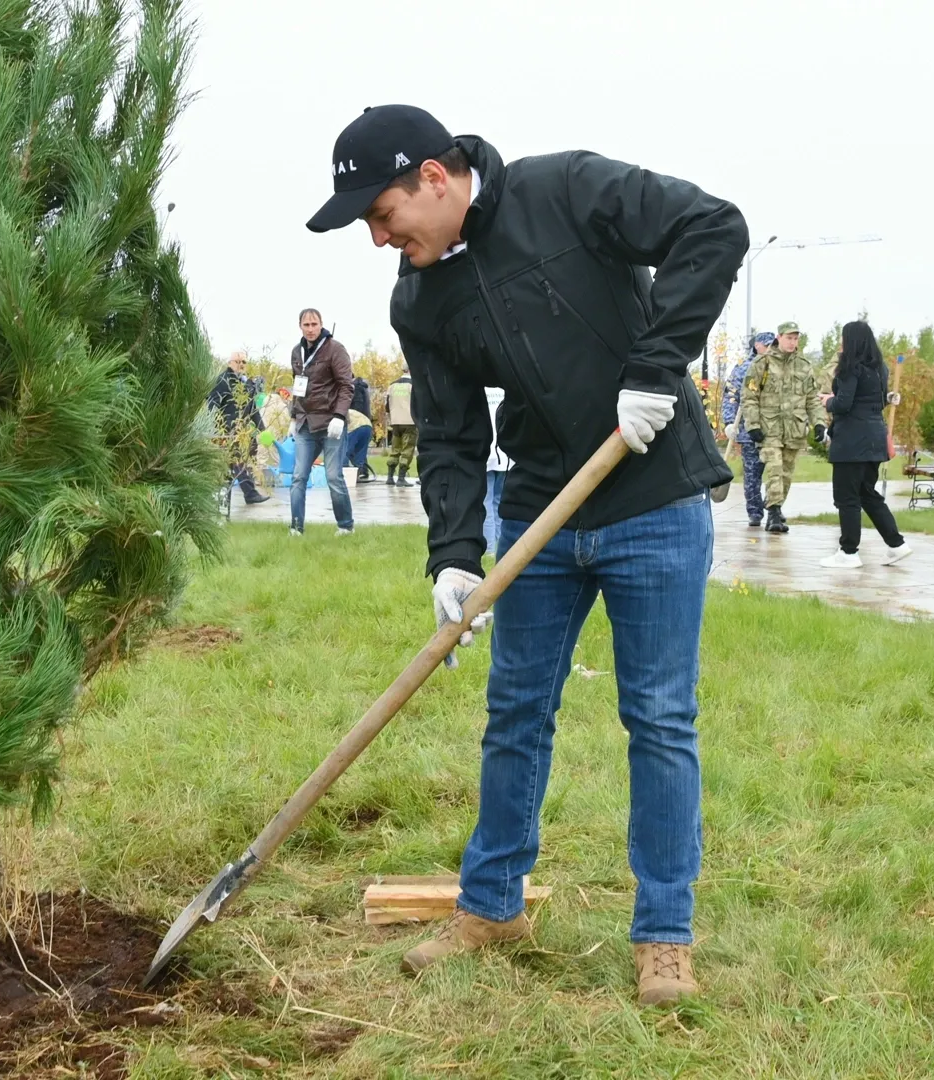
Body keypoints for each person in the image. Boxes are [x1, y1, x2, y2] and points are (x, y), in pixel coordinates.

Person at [308, 104, 742, 1004]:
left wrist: (657, 367)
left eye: (381, 214)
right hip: (543, 509)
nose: (377, 237)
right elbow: (453, 437)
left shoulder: (567, 190)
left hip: (652, 497)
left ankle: (664, 932)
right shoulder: (419, 297)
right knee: (514, 715)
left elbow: (713, 227)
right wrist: (455, 555)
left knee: (659, 719)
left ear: (434, 176)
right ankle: (492, 905)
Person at [818, 321, 911, 568]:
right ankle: (896, 544)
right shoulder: (879, 368)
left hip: (851, 444)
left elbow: (844, 404)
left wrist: (828, 401)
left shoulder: (850, 368)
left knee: (847, 498)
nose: (841, 343)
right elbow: (876, 402)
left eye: (843, 338)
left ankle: (848, 552)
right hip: (874, 440)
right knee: (868, 495)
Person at [738, 321, 824, 533]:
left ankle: (776, 506)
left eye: (796, 339)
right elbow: (749, 396)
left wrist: (819, 422)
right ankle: (774, 513)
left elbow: (812, 398)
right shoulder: (762, 364)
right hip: (769, 429)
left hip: (794, 429)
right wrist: (753, 424)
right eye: (789, 338)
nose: (792, 342)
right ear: (779, 337)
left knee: (786, 473)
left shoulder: (804, 366)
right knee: (775, 470)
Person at [287, 308, 356, 536]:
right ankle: (296, 527)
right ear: (300, 326)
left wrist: (339, 415)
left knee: (333, 476)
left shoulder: (335, 349)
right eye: (306, 325)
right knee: (298, 476)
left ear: (321, 324)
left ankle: (345, 526)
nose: (310, 329)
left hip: (330, 422)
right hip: (305, 423)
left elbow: (347, 386)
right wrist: (292, 417)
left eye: (314, 324)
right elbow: (298, 386)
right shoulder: (297, 352)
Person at [721, 333, 773, 527]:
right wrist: (728, 422)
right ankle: (755, 513)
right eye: (767, 345)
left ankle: (774, 508)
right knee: (752, 477)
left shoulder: (777, 366)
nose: (770, 349)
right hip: (747, 431)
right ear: (757, 346)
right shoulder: (743, 368)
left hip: (773, 430)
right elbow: (731, 395)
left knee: (777, 473)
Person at [208, 351, 271, 505]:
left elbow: (252, 409)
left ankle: (224, 499)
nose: (241, 364)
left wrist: (262, 429)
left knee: (233, 464)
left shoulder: (245, 384)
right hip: (227, 431)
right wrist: (215, 428)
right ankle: (249, 494)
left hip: (241, 432)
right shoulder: (223, 380)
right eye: (237, 361)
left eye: (244, 362)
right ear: (230, 363)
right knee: (237, 462)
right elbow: (212, 404)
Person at [483, 387, 511, 554]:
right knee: (499, 501)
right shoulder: (503, 388)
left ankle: (489, 550)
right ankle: (500, 547)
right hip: (505, 454)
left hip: (487, 452)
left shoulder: (481, 388)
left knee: (486, 502)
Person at [385, 367, 417, 486]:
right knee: (407, 450)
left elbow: (387, 405)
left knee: (395, 449)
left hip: (395, 421)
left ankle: (389, 477)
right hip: (410, 421)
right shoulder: (413, 385)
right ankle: (401, 478)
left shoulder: (392, 385)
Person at [343, 377, 376, 483]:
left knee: (346, 451)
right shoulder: (364, 389)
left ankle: (345, 475)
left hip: (355, 425)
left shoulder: (354, 389)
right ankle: (359, 474)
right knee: (360, 453)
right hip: (367, 423)